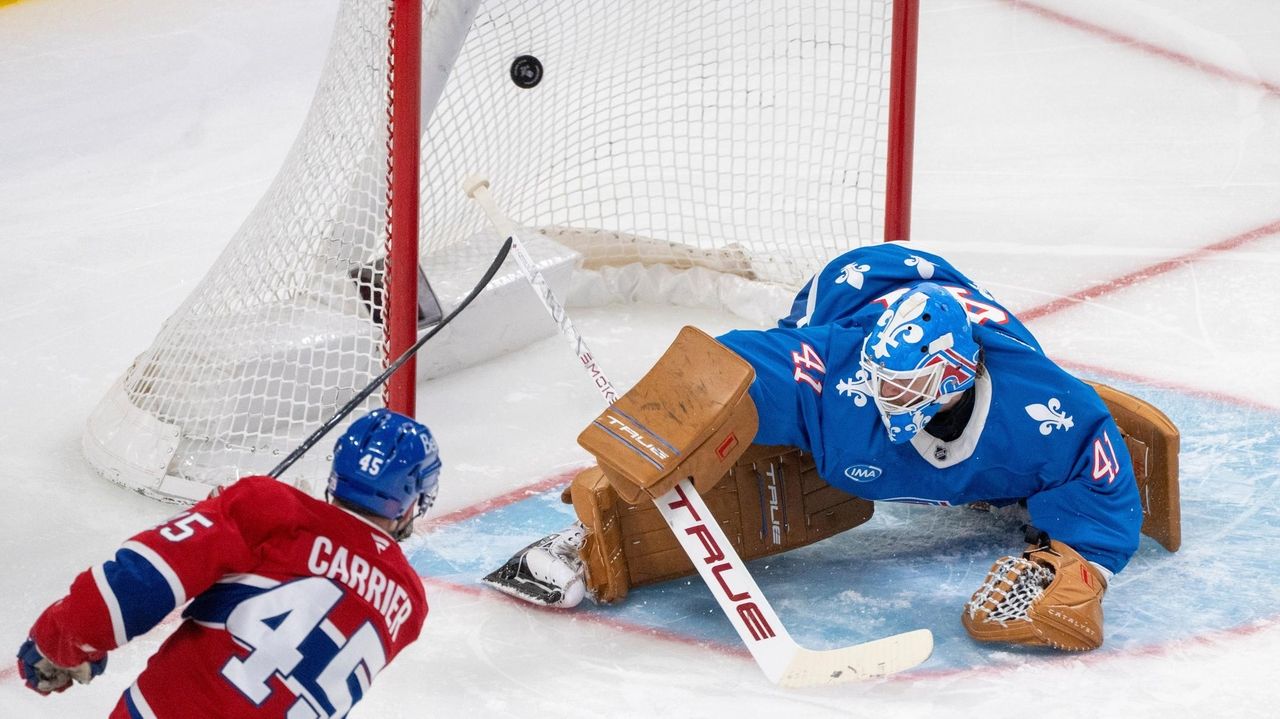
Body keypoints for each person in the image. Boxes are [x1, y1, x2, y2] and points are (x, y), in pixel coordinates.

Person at [485, 242, 1168, 653]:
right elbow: (741, 364)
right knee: (751, 442)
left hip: (951, 304)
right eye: (883, 383)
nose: (887, 399)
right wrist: (677, 415)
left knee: (1012, 474)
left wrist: (1086, 563)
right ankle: (588, 538)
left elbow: (1098, 469)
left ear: (955, 376)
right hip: (853, 288)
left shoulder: (1042, 410)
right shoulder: (840, 374)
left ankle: (1003, 487)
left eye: (908, 389)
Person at [16, 408, 441, 718]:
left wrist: (61, 641)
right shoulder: (409, 604)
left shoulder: (271, 508)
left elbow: (141, 581)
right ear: (407, 505)